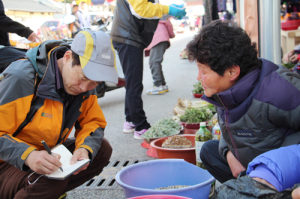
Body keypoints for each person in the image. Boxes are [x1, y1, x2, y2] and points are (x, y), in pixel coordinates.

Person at [0, 30, 118, 198]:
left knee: (100, 150)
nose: (84, 88)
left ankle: (45, 192)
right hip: (6, 162)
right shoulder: (22, 79)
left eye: (94, 83)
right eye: (83, 78)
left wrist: (85, 149)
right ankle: (42, 190)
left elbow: (93, 122)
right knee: (50, 179)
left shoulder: (84, 85)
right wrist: (28, 156)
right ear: (68, 57)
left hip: (45, 153)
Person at [186, 20, 300, 184]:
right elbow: (228, 125)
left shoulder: (279, 91)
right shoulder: (225, 89)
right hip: (249, 164)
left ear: (232, 71)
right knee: (208, 151)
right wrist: (228, 153)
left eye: (203, 71)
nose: (198, 77)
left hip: (279, 174)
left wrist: (275, 165)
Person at [111, 0, 186, 139]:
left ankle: (131, 121)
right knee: (134, 83)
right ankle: (141, 127)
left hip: (127, 35)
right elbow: (140, 9)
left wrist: (168, 9)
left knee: (132, 81)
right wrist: (167, 8)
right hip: (128, 36)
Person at [145, 15, 175, 95]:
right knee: (154, 62)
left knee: (154, 62)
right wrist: (171, 35)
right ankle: (162, 84)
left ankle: (158, 85)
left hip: (159, 39)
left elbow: (168, 23)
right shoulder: (157, 14)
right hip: (160, 39)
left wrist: (172, 35)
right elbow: (169, 24)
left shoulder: (156, 13)